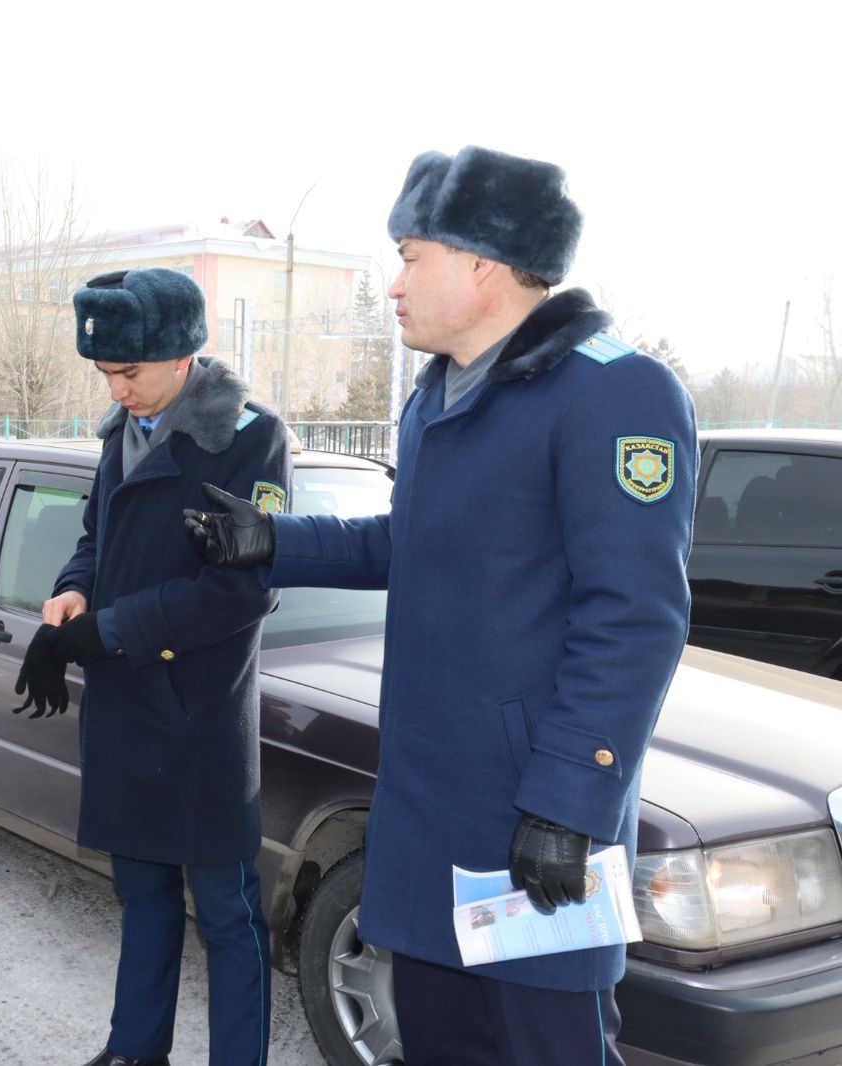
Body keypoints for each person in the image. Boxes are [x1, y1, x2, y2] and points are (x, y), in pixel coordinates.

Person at [184, 146, 697, 1065]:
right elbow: (408, 542)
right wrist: (275, 541)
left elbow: (634, 617)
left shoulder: (612, 392)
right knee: (439, 1043)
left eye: (411, 256)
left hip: (532, 823)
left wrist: (571, 804)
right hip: (431, 819)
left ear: (482, 261)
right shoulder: (438, 396)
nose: (393, 285)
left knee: (547, 1047)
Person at [13, 268, 292, 1066]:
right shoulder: (119, 432)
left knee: (229, 915)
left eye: (129, 372)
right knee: (140, 894)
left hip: (197, 711)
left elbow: (242, 590)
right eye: (105, 373)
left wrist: (116, 629)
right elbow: (97, 537)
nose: (117, 389)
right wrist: (72, 594)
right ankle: (136, 1049)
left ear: (183, 355)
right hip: (126, 703)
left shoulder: (248, 439)